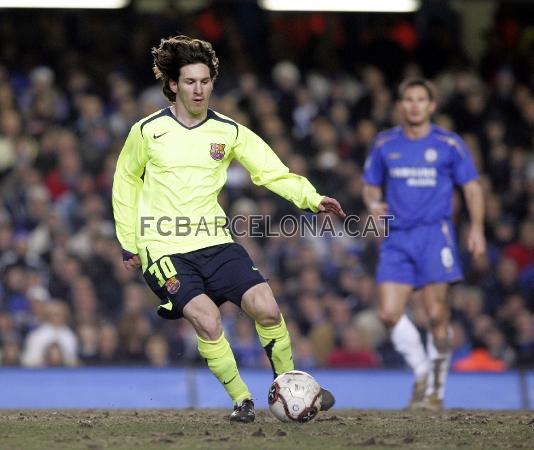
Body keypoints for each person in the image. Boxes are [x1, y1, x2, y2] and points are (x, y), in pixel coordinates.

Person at [112, 35, 345, 422]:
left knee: (267, 309)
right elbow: (125, 182)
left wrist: (311, 198)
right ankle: (242, 400)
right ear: (173, 84)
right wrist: (128, 240)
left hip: (216, 240)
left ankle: (290, 384)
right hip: (162, 246)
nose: (199, 89)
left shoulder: (229, 131)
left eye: (205, 81)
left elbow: (271, 171)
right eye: (190, 82)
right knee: (206, 318)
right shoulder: (147, 131)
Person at [362, 78, 485, 410]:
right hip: (397, 236)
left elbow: (471, 188)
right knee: (388, 313)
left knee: (436, 315)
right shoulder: (385, 144)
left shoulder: (449, 144)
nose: (414, 105)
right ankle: (421, 372)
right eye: (409, 100)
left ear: (432, 105)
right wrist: (374, 205)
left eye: (421, 100)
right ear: (401, 106)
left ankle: (436, 392)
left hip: (434, 234)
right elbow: (371, 185)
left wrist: (476, 227)